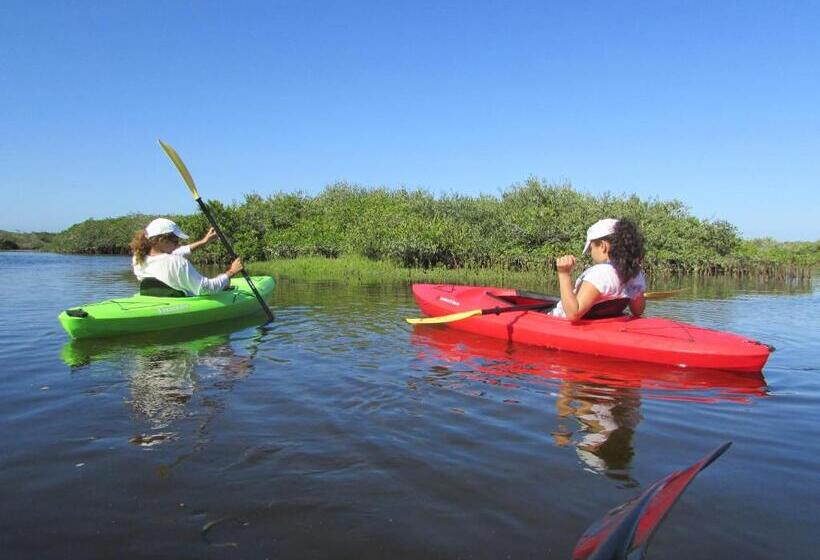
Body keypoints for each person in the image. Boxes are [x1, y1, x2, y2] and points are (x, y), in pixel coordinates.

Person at [551, 218, 646, 320]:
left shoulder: (600, 274)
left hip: (560, 321)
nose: (591, 253)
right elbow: (638, 311)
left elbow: (573, 314)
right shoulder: (634, 273)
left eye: (591, 248)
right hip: (602, 324)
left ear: (602, 246)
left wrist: (564, 274)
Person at [130, 218, 243, 296]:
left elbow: (180, 251)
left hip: (155, 299)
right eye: (175, 241)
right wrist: (231, 272)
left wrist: (204, 241)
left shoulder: (138, 258)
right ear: (161, 240)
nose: (178, 244)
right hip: (181, 301)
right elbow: (207, 289)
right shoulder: (177, 262)